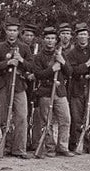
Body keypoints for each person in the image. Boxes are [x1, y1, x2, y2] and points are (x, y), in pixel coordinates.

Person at [0, 19, 31, 158]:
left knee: (22, 117)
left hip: (19, 85)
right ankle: (6, 146)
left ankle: (19, 148)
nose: (12, 33)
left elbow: (32, 67)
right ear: (6, 31)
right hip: (3, 84)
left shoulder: (24, 48)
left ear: (18, 32)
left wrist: (21, 60)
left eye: (14, 30)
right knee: (4, 118)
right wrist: (8, 63)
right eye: (10, 30)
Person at [28, 26, 73, 157]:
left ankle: (63, 147)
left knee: (65, 119)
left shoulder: (61, 54)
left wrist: (62, 62)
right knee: (47, 122)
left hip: (60, 91)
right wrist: (52, 69)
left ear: (56, 40)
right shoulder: (38, 57)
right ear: (43, 40)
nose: (50, 41)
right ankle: (49, 147)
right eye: (47, 38)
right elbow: (38, 74)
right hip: (46, 91)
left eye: (52, 38)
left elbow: (69, 72)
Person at [66, 23, 90, 153]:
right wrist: (88, 64)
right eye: (80, 34)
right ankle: (78, 143)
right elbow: (72, 71)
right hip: (77, 87)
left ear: (88, 36)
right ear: (76, 36)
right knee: (77, 118)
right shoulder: (71, 53)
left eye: (85, 34)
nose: (83, 37)